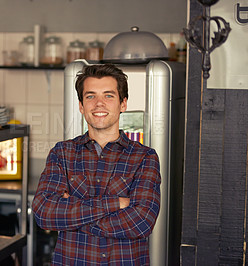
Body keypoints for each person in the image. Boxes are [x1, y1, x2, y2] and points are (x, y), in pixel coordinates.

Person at [32, 64, 161, 265]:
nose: (99, 103)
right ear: (81, 106)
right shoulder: (62, 153)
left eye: (108, 96)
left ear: (123, 104)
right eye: (91, 96)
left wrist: (72, 218)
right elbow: (44, 214)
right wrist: (116, 203)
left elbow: (141, 222)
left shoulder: (145, 157)